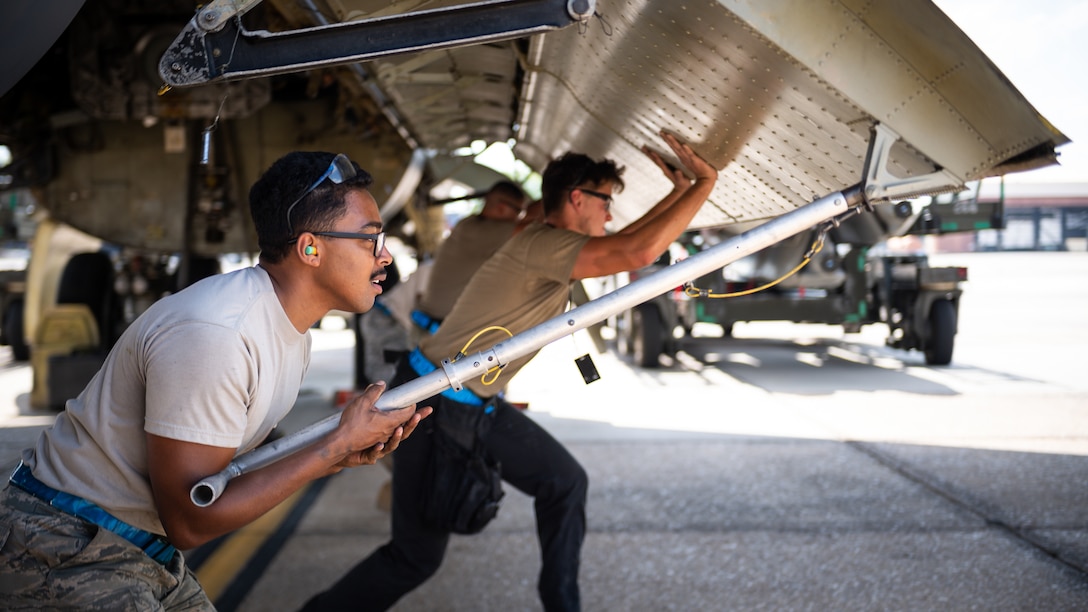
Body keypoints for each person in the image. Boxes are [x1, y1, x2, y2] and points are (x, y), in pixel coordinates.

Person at [301, 131, 717, 611]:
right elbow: (637, 253)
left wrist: (680, 192)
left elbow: (626, 242)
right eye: (605, 202)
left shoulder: (550, 240)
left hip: (472, 404)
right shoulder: (543, 243)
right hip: (429, 406)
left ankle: (562, 603)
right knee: (415, 556)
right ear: (577, 197)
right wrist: (703, 183)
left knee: (564, 483)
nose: (609, 213)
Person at [0, 151, 431, 609]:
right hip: (62, 543)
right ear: (310, 248)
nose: (385, 255)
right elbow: (191, 520)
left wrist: (339, 454)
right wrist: (335, 446)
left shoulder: (288, 329)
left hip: (139, 547)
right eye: (370, 239)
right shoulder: (218, 335)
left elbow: (222, 476)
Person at [411, 180, 529, 335]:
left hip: (431, 328)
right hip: (429, 331)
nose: (518, 218)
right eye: (519, 212)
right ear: (501, 208)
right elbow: (530, 229)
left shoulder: (471, 227)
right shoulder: (478, 231)